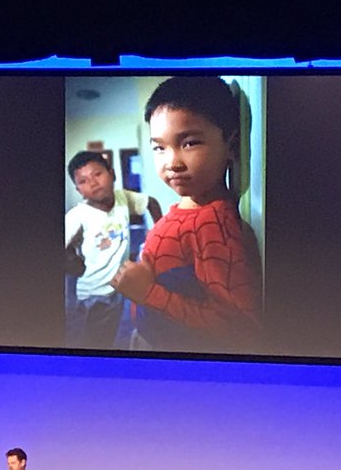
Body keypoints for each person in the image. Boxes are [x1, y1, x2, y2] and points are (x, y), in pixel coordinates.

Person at [110, 74, 262, 353]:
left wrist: (147, 292)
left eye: (189, 143)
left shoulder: (213, 224)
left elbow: (239, 328)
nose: (172, 162)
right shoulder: (183, 210)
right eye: (159, 147)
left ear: (231, 145)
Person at [64, 151, 162, 349]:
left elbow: (151, 202)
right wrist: (74, 265)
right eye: (83, 181)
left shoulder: (122, 198)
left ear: (112, 174)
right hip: (95, 293)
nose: (92, 183)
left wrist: (160, 233)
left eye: (97, 174)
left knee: (114, 331)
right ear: (78, 190)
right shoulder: (78, 216)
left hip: (119, 286)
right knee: (95, 342)